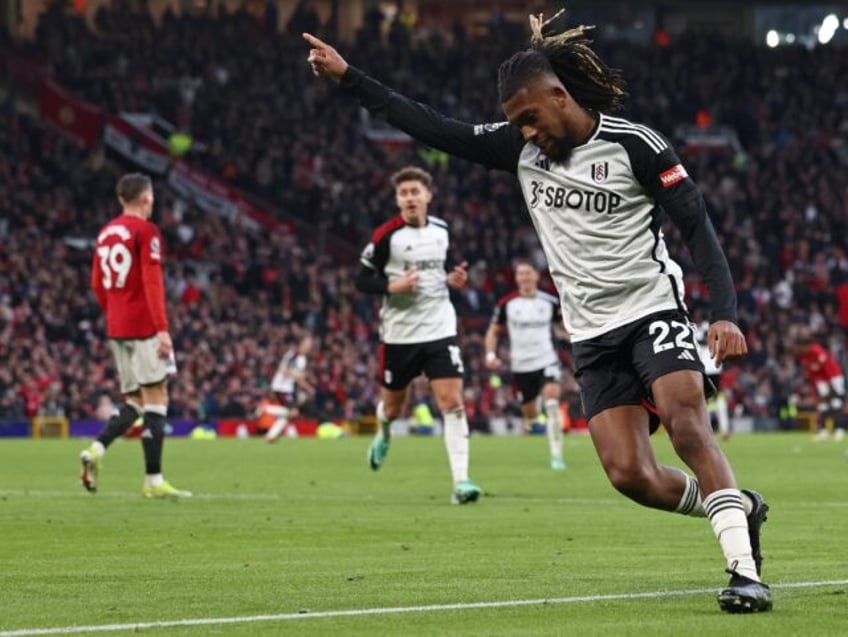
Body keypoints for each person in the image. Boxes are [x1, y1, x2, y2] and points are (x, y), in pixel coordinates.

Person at [304, 10, 771, 611]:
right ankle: (737, 506)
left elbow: (696, 227)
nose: (524, 132)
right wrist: (349, 77)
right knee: (631, 476)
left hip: (652, 309)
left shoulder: (636, 145)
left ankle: (743, 571)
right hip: (591, 334)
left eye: (529, 117)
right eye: (514, 123)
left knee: (686, 424)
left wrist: (724, 312)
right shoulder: (519, 151)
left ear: (559, 96)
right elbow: (431, 126)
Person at [354, 165, 482, 505]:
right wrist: (390, 285)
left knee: (452, 402)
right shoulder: (385, 237)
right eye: (404, 193)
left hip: (439, 327)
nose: (410, 198)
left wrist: (453, 279)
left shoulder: (441, 230)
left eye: (415, 192)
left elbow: (445, 269)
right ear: (397, 200)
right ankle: (383, 433)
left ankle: (461, 481)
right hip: (399, 335)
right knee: (394, 408)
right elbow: (360, 280)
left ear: (428, 196)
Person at [80, 173, 191, 499]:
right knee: (157, 399)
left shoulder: (105, 233)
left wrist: (114, 313)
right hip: (143, 326)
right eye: (152, 197)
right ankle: (154, 480)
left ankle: (96, 451)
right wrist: (162, 329)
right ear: (145, 198)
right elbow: (152, 283)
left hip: (117, 327)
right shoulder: (146, 232)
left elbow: (97, 284)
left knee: (135, 401)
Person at [485, 260, 567, 470]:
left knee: (552, 403)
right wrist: (490, 354)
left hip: (547, 359)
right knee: (530, 417)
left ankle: (557, 456)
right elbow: (493, 331)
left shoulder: (550, 302)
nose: (525, 277)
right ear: (516, 278)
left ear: (536, 276)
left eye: (528, 273)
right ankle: (534, 412)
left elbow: (562, 328)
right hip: (521, 365)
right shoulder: (507, 304)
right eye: (520, 274)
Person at [793, 331, 846, 441]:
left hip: (834, 376)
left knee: (836, 403)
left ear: (804, 346)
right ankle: (823, 431)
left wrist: (832, 387)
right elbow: (812, 373)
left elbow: (824, 366)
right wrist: (816, 390)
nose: (798, 350)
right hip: (821, 381)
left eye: (799, 348)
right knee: (823, 405)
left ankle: (839, 429)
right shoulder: (802, 356)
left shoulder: (816, 350)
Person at [262, 334, 315, 442]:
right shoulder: (293, 355)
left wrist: (307, 387)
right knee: (293, 412)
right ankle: (266, 410)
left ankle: (270, 436)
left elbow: (297, 378)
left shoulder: (302, 359)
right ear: (301, 344)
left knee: (290, 413)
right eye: (308, 344)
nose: (309, 347)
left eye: (311, 345)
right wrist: (298, 376)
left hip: (289, 388)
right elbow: (284, 370)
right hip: (281, 387)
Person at [694, 314, 731, 440]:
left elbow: (707, 339)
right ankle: (710, 429)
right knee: (705, 400)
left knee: (714, 398)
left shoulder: (708, 328)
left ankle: (723, 429)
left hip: (712, 367)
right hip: (703, 367)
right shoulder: (695, 329)